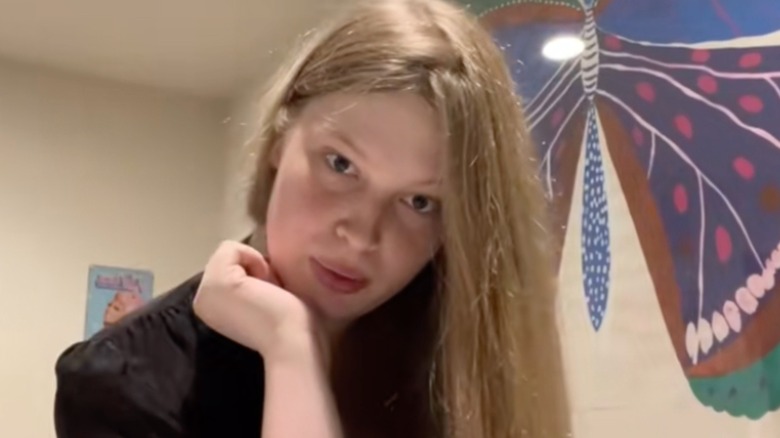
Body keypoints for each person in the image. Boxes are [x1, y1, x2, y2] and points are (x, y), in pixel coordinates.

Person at [53, 0, 571, 436]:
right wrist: (290, 349)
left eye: (420, 202)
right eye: (341, 165)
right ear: (279, 140)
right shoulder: (122, 384)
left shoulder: (463, 354)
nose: (362, 235)